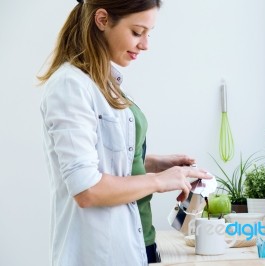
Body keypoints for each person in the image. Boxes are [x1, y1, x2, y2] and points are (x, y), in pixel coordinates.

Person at [37, 0, 211, 265]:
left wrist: (152, 164)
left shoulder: (106, 83)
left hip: (141, 243)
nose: (145, 44)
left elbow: (109, 158)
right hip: (102, 252)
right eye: (137, 32)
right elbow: (87, 189)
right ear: (103, 20)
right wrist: (160, 180)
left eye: (148, 34)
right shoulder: (70, 86)